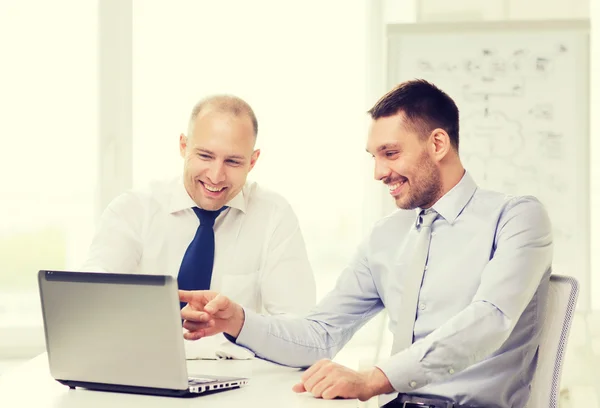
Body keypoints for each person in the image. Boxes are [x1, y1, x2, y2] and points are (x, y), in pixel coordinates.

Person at [178, 80, 553, 408]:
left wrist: (374, 378)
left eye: (390, 153)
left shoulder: (517, 218)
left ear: (438, 143)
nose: (379, 173)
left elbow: (489, 321)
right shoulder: (386, 237)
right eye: (374, 157)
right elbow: (320, 335)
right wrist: (238, 321)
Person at [82, 95, 316, 358]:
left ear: (252, 161)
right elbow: (92, 299)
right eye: (205, 156)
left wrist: (239, 321)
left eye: (233, 162)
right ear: (184, 146)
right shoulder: (133, 210)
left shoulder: (274, 215)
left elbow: (301, 334)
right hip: (143, 367)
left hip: (238, 382)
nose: (216, 176)